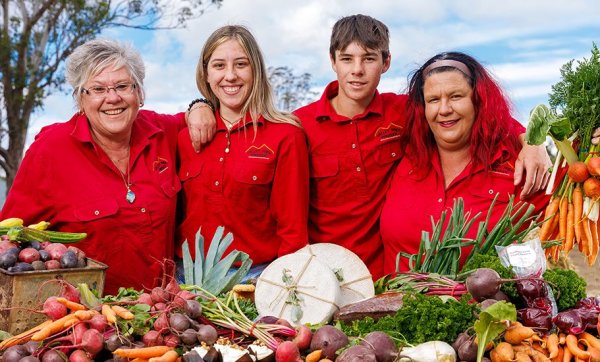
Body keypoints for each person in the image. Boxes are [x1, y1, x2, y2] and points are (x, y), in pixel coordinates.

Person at [189, 14, 551, 280]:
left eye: (369, 59)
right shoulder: (299, 126)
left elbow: (467, 112)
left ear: (386, 62)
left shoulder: (404, 112)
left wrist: (530, 140)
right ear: (332, 62)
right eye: (346, 59)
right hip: (322, 273)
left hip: (382, 273)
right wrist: (200, 104)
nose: (357, 71)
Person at [0, 38, 213, 295]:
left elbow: (199, 119)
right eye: (98, 89)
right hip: (86, 317)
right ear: (80, 98)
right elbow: (11, 238)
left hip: (161, 312)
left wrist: (201, 105)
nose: (112, 98)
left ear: (139, 93)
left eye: (123, 86)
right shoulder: (51, 149)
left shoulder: (161, 131)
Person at [380, 51, 550, 274]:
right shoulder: (403, 152)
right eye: (433, 100)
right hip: (392, 305)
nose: (444, 109)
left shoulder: (519, 168)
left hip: (483, 308)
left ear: (479, 100)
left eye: (456, 96)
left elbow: (581, 192)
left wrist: (535, 142)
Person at [176, 25, 309, 276]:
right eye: (218, 66)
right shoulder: (185, 138)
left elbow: (293, 229)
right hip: (186, 278)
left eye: (240, 64)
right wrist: (197, 106)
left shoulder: (286, 136)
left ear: (255, 71)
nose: (230, 76)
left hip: (254, 276)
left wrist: (285, 283)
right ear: (205, 74)